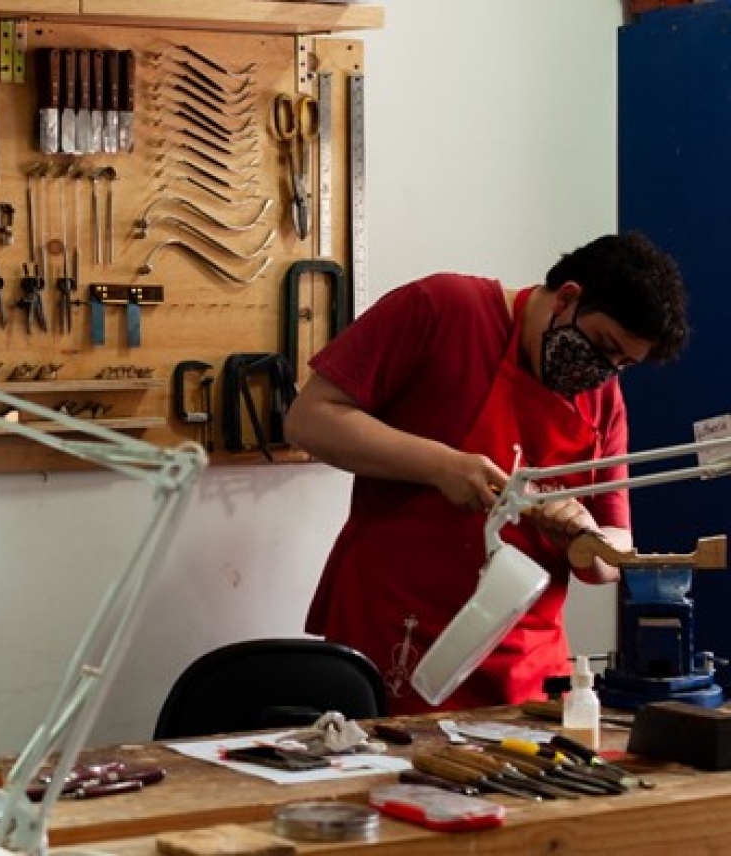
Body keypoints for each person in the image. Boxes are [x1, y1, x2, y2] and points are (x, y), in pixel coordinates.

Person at [285, 233, 689, 715]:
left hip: (523, 671)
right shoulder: (441, 309)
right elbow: (308, 418)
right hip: (400, 636)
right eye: (602, 346)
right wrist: (440, 465)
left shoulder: (604, 402)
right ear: (567, 298)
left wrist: (584, 536)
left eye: (623, 364)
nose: (602, 373)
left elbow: (615, 553)